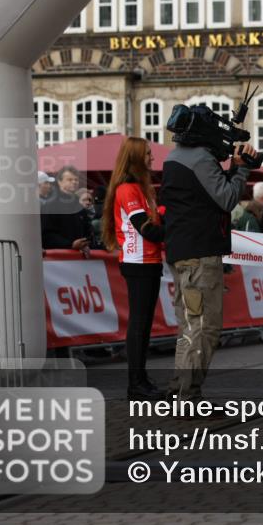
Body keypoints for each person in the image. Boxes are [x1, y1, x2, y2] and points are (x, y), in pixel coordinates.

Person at [160, 125, 259, 401]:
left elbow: (206, 197)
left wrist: (229, 169)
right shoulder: (201, 159)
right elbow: (227, 199)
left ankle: (179, 389)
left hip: (181, 253)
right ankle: (187, 396)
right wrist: (241, 170)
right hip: (199, 256)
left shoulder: (173, 157)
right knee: (205, 327)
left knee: (189, 326)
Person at [102, 137, 165, 400]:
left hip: (149, 261)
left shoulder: (142, 188)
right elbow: (147, 229)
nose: (152, 158)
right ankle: (135, 384)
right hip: (138, 262)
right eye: (148, 154)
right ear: (137, 157)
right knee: (139, 324)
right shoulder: (127, 189)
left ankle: (140, 379)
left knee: (144, 324)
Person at [41, 165, 92, 254]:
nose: (74, 182)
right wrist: (70, 244)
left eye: (76, 179)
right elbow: (46, 235)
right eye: (69, 179)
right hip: (59, 259)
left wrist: (86, 243)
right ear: (60, 182)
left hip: (80, 259)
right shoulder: (50, 204)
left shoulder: (78, 205)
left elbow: (87, 229)